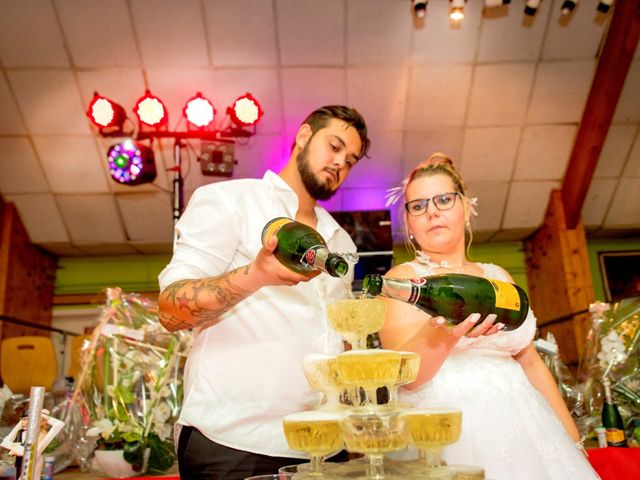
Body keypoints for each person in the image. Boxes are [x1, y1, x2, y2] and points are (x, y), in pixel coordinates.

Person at [157, 105, 370, 479]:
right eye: (334, 147)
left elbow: (335, 339)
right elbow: (171, 311)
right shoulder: (230, 201)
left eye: (350, 160)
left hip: (324, 446)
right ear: (303, 136)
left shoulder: (340, 239)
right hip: (234, 441)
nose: (340, 163)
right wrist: (255, 275)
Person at [379, 153, 600, 479]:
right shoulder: (404, 282)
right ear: (409, 223)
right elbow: (406, 377)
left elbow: (530, 362)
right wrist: (445, 330)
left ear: (466, 207)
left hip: (529, 428)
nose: (432, 212)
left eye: (443, 199)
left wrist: (573, 439)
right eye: (418, 206)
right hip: (450, 430)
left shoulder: (498, 277)